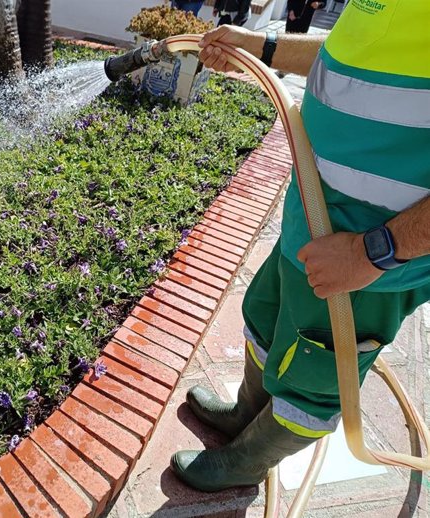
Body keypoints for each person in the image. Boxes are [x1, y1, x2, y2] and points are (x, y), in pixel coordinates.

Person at [170, 2, 430, 492]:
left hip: (369, 259)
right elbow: (348, 59)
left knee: (316, 375)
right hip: (313, 216)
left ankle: (246, 463)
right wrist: (261, 47)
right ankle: (246, 413)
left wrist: (377, 250)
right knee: (267, 319)